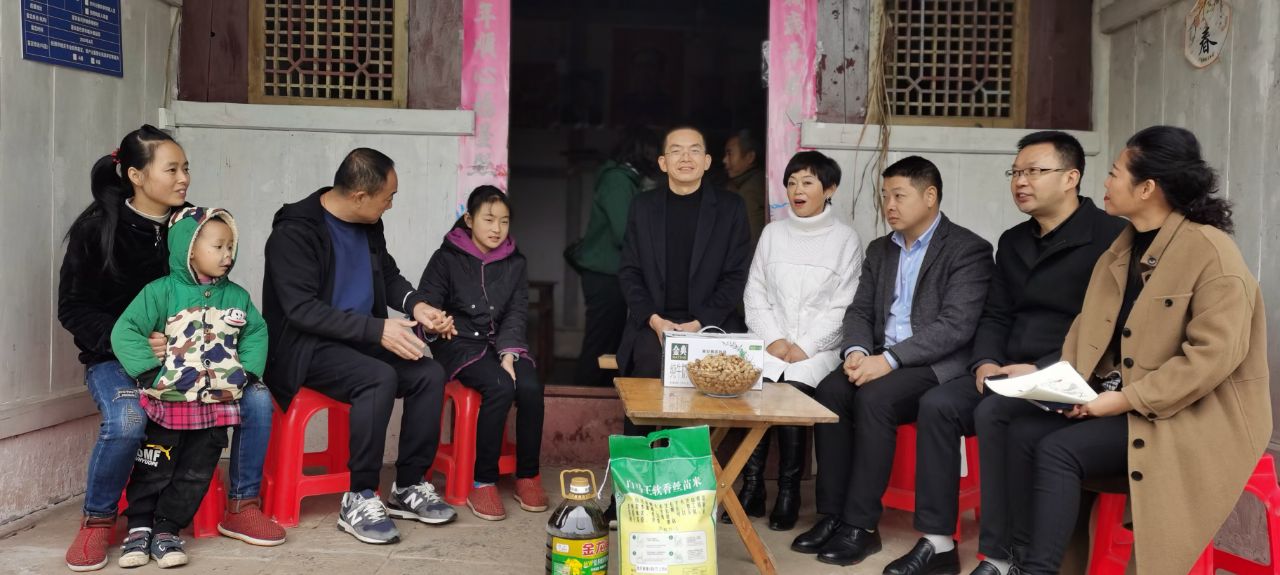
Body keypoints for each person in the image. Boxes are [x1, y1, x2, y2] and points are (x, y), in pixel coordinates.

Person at [985, 126, 1271, 575]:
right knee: (1022, 433)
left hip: (1188, 414)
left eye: (1115, 173)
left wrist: (1123, 399)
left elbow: (1211, 358)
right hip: (1120, 402)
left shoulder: (1212, 253)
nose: (1105, 181)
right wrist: (1068, 388)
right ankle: (1023, 561)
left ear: (1146, 188)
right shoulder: (1120, 251)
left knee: (1058, 451)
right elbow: (1086, 333)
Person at [882, 132, 1126, 575]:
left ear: (1071, 177)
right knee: (938, 404)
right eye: (1016, 172)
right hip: (1007, 368)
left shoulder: (1109, 239)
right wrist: (986, 361)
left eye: (1034, 171)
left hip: (1068, 373)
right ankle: (938, 541)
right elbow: (995, 313)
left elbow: (1109, 329)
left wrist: (1042, 368)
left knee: (995, 413)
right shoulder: (1014, 241)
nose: (1021, 181)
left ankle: (999, 555)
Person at [58, 126, 283, 572]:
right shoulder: (97, 229)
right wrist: (136, 343)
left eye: (186, 168)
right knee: (127, 417)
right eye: (172, 169)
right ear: (137, 176)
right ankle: (97, 520)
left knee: (257, 398)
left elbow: (219, 294)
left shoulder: (193, 226)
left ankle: (242, 505)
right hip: (116, 359)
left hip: (195, 359)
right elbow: (73, 308)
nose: (184, 178)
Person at [790, 156, 993, 567]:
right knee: (830, 392)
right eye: (885, 196)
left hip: (934, 365)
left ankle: (861, 526)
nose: (889, 205)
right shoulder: (881, 249)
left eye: (899, 195)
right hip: (879, 357)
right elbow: (860, 311)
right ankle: (833, 514)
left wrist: (891, 360)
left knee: (875, 399)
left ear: (930, 196)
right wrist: (857, 351)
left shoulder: (968, 249)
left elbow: (955, 326)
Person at [262, 148, 458, 545]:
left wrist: (418, 306)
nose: (390, 204)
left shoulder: (369, 223)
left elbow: (387, 273)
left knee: (428, 373)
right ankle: (360, 496)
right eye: (388, 197)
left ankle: (408, 485)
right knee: (378, 377)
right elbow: (301, 310)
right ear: (359, 196)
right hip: (307, 349)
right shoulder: (294, 233)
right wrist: (377, 330)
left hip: (360, 339)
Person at [110, 208, 265, 569]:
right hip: (168, 400)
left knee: (196, 472)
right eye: (218, 246)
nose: (227, 255)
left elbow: (256, 332)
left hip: (215, 406)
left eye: (231, 247)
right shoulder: (160, 292)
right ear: (190, 250)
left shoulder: (238, 297)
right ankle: (139, 527)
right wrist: (149, 372)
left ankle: (167, 529)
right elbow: (125, 330)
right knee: (154, 466)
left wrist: (247, 372)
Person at [730, 151, 862, 531]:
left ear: (830, 188)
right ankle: (752, 486)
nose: (797, 190)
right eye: (791, 183)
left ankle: (788, 490)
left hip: (816, 349)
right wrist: (773, 339)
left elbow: (844, 304)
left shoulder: (845, 240)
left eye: (807, 182)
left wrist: (804, 346)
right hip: (770, 342)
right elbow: (755, 293)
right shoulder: (773, 234)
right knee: (756, 386)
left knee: (793, 390)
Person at [418, 185, 546, 521]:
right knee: (500, 386)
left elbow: (517, 312)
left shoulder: (515, 262)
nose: (496, 228)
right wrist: (436, 322)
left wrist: (509, 353)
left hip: (501, 344)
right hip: (459, 344)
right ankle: (483, 481)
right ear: (469, 219)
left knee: (531, 387)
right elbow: (427, 304)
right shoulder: (446, 258)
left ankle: (528, 476)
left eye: (504, 221)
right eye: (488, 219)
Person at [616, 124, 752, 380]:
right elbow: (629, 272)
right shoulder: (643, 207)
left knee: (719, 378)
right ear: (663, 162)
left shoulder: (731, 208)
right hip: (654, 322)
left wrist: (700, 323)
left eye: (694, 151)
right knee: (648, 368)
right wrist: (655, 321)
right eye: (676, 151)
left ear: (707, 161)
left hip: (713, 322)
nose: (686, 158)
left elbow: (736, 275)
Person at [567, 127, 657, 387]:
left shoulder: (625, 179)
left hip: (609, 274)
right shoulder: (618, 180)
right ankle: (584, 399)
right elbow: (623, 232)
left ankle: (599, 395)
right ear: (643, 152)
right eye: (656, 152)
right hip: (604, 276)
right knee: (600, 343)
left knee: (609, 342)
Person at [722, 128, 768, 247]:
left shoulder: (753, 189)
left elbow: (750, 239)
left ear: (749, 157)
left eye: (729, 154)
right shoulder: (736, 184)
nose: (724, 160)